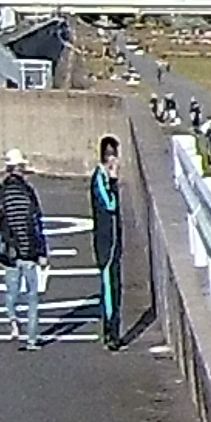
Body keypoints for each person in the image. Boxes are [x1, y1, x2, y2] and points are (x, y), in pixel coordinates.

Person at [0, 151, 46, 351]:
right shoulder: (28, 191)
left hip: (10, 251)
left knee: (11, 291)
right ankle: (31, 339)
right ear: (21, 168)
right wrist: (42, 251)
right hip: (29, 251)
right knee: (32, 296)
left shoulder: (1, 191)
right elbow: (36, 222)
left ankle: (13, 320)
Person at [87, 136, 125, 350]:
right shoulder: (100, 178)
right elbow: (110, 204)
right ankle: (111, 333)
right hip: (106, 242)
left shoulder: (103, 178)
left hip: (114, 241)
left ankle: (113, 331)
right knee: (109, 288)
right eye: (112, 155)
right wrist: (113, 180)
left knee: (116, 286)